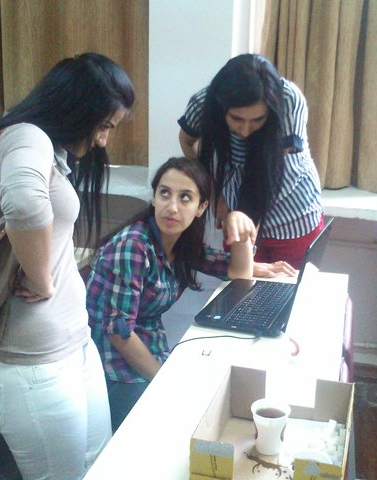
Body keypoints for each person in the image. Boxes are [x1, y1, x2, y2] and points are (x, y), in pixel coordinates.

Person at [0, 52, 135, 480]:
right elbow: (25, 203)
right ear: (76, 108)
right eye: (103, 125)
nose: (103, 140)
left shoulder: (49, 148)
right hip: (31, 364)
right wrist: (43, 281)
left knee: (98, 468)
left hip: (72, 346)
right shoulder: (27, 137)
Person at [86, 157, 266, 432]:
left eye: (185, 198)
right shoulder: (133, 246)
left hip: (150, 346)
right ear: (154, 198)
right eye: (165, 194)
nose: (172, 207)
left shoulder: (180, 244)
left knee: (207, 400)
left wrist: (238, 226)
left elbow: (239, 274)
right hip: (111, 364)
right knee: (167, 428)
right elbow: (118, 332)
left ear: (201, 207)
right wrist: (163, 381)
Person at [178, 53, 325, 270]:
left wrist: (247, 220)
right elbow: (187, 140)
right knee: (241, 286)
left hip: (294, 217)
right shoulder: (204, 103)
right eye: (236, 119)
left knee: (288, 288)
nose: (245, 130)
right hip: (239, 216)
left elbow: (267, 170)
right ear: (222, 107)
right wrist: (214, 193)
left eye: (257, 120)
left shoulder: (288, 100)